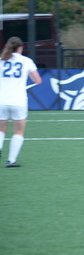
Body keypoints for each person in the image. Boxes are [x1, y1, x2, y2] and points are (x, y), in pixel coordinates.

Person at [0, 37, 42, 167]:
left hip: (1, 100)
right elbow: (37, 80)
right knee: (18, 131)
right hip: (18, 101)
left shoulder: (1, 60)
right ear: (21, 48)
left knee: (1, 129)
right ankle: (11, 160)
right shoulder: (26, 61)